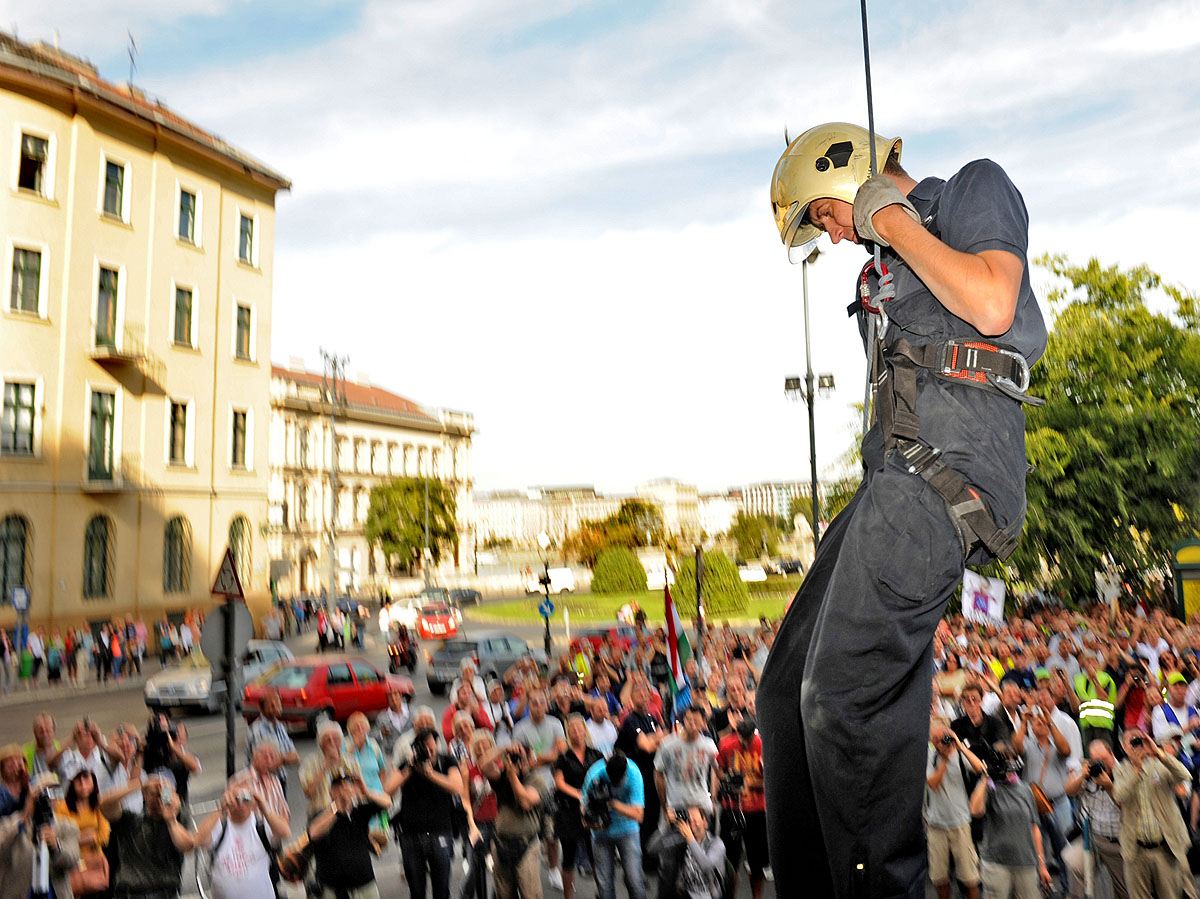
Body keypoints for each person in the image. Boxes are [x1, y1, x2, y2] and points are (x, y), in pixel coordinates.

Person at [761, 121, 1047, 898]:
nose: (832, 231)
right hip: (894, 476)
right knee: (786, 691)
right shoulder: (878, 269)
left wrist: (890, 216)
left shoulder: (969, 189)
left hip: (953, 465)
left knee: (844, 691)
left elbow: (991, 301)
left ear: (846, 168)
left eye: (822, 212)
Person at [1113, 728, 1193, 899]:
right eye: (1131, 741)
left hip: (1164, 848)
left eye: (1139, 740)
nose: (1136, 744)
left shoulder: (1159, 764)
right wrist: (1136, 770)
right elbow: (1119, 795)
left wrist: (1158, 752)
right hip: (1136, 851)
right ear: (1123, 746)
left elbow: (1185, 775)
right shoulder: (1120, 770)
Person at [387, 726, 463, 899]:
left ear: (437, 743)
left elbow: (457, 787)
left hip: (440, 833)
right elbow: (388, 790)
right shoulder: (407, 765)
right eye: (423, 748)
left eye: (431, 746)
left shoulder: (447, 761)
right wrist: (410, 768)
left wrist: (430, 773)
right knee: (416, 891)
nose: (428, 751)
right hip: (411, 836)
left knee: (442, 890)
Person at [969, 741, 1052, 898]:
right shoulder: (990, 789)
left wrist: (1042, 865)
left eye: (1009, 759)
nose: (1006, 764)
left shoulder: (1026, 790)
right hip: (996, 864)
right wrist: (986, 776)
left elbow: (1034, 827)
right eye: (1002, 759)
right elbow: (975, 810)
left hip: (1025, 862)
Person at [100, 767, 197, 897]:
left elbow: (187, 845)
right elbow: (104, 804)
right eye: (154, 793)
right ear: (145, 794)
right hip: (130, 892)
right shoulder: (130, 820)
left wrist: (171, 820)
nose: (160, 797)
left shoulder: (178, 819)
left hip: (162, 891)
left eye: (166, 792)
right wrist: (140, 783)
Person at [193, 777, 291, 899]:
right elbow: (197, 840)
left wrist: (263, 805)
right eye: (237, 798)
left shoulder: (261, 826)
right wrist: (220, 808)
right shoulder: (220, 826)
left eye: (246, 798)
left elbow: (285, 833)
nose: (241, 802)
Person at [305, 766, 394, 899]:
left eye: (347, 786)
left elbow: (388, 802)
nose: (344, 790)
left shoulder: (360, 812)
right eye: (339, 787)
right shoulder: (321, 815)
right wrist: (337, 808)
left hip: (365, 884)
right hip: (334, 889)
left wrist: (366, 791)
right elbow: (313, 833)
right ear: (331, 793)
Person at [512, 689, 566, 889]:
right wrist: (545, 758)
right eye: (534, 703)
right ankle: (526, 872)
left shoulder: (556, 724)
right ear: (529, 705)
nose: (538, 706)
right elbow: (520, 761)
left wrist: (534, 759)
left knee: (552, 833)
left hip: (551, 787)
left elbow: (559, 754)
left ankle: (553, 870)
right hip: (530, 787)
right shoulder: (520, 728)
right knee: (529, 833)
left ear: (547, 704)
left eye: (542, 702)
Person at [926, 719, 985, 899]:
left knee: (969, 877)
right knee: (939, 877)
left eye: (941, 738)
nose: (938, 743)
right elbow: (933, 784)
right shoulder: (929, 756)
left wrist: (959, 747)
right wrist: (943, 760)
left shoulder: (959, 755)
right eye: (934, 740)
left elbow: (980, 768)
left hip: (961, 823)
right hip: (936, 825)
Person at [1063, 740, 1128, 899]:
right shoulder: (1088, 772)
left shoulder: (1125, 771)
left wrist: (1108, 785)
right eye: (1097, 761)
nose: (1102, 765)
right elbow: (1069, 791)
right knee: (1073, 863)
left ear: (1112, 755)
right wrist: (1083, 776)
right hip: (1095, 838)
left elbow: (1125, 807)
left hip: (1119, 843)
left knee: (1124, 890)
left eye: (1104, 760)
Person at [0, 775, 80, 899]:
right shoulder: (11, 823)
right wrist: (24, 816)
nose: (49, 798)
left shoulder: (68, 827)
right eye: (44, 792)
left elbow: (73, 859)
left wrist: (56, 846)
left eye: (54, 793)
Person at [485, 741, 548, 899]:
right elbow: (483, 765)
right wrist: (504, 749)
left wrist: (512, 774)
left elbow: (525, 802)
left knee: (530, 894)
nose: (523, 762)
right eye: (519, 758)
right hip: (500, 843)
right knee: (504, 894)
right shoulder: (501, 776)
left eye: (525, 758)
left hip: (526, 845)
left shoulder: (536, 780)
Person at [715, 717, 768, 899]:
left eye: (748, 739)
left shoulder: (762, 745)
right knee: (730, 860)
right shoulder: (726, 744)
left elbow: (770, 780)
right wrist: (728, 778)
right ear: (736, 733)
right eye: (742, 738)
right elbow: (719, 770)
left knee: (757, 862)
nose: (745, 742)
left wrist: (749, 783)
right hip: (733, 809)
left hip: (756, 811)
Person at [582, 752, 646, 899]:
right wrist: (589, 822)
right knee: (604, 884)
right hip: (601, 833)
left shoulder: (634, 774)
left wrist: (612, 804)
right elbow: (583, 807)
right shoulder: (595, 775)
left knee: (634, 879)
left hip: (628, 830)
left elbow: (639, 815)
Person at [554, 714, 604, 899]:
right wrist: (578, 794)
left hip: (592, 810)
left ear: (584, 729)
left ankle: (603, 892)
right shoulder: (564, 757)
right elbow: (559, 782)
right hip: (569, 812)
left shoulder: (595, 754)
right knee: (569, 857)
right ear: (568, 733)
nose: (576, 731)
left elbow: (603, 777)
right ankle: (568, 896)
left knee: (596, 857)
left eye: (579, 727)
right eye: (572, 728)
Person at [54, 767, 111, 898]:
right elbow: (59, 836)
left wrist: (88, 837)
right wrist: (85, 837)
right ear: (72, 784)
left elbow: (104, 835)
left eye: (87, 780)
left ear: (93, 783)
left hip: (95, 859)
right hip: (72, 860)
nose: (83, 785)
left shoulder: (98, 804)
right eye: (79, 781)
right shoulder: (63, 807)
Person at [655, 705, 718, 818]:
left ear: (703, 722)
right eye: (689, 720)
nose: (692, 724)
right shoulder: (668, 744)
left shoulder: (709, 745)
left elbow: (718, 769)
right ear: (684, 719)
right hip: (676, 806)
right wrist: (665, 806)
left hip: (701, 805)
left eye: (696, 721)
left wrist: (713, 798)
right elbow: (658, 772)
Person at [652, 806, 725, 899]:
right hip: (685, 892)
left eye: (694, 817)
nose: (691, 820)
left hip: (708, 894)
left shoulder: (716, 843)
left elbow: (706, 865)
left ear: (705, 823)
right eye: (688, 817)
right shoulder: (682, 840)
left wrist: (690, 838)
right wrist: (666, 826)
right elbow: (652, 848)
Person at [461, 732, 500, 899]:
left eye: (486, 746)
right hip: (478, 824)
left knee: (500, 871)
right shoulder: (468, 770)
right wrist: (471, 824)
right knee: (473, 872)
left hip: (499, 824)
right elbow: (465, 799)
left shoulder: (501, 767)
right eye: (478, 748)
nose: (482, 750)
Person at [246, 690, 300, 791]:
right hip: (263, 784)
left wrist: (282, 759)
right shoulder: (257, 730)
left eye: (278, 703)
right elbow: (264, 766)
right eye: (271, 705)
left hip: (280, 780)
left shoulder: (280, 726)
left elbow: (295, 756)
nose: (276, 707)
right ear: (262, 708)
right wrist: (284, 758)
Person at [373, 686, 414, 757]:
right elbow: (374, 738)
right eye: (390, 696)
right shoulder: (382, 717)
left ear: (400, 695)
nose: (393, 698)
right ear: (387, 699)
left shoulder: (413, 712)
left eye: (395, 694)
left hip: (412, 752)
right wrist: (381, 733)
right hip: (392, 755)